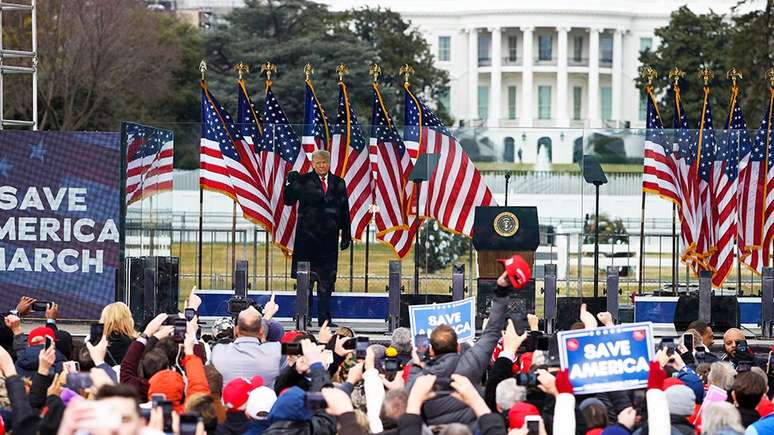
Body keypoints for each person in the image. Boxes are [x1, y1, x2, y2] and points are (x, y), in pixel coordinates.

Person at [284, 149, 351, 327]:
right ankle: (303, 318)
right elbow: (288, 200)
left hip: (328, 243)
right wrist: (289, 183)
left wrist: (346, 234)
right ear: (313, 164)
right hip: (307, 242)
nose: (322, 166)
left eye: (325, 162)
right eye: (318, 163)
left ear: (330, 163)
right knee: (305, 283)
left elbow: (345, 209)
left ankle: (325, 321)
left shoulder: (339, 182)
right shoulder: (303, 180)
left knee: (326, 284)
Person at [210, 306, 284, 386]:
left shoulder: (218, 351)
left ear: (236, 330)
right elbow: (298, 347)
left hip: (228, 398)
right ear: (261, 331)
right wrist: (267, 316)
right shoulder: (276, 351)